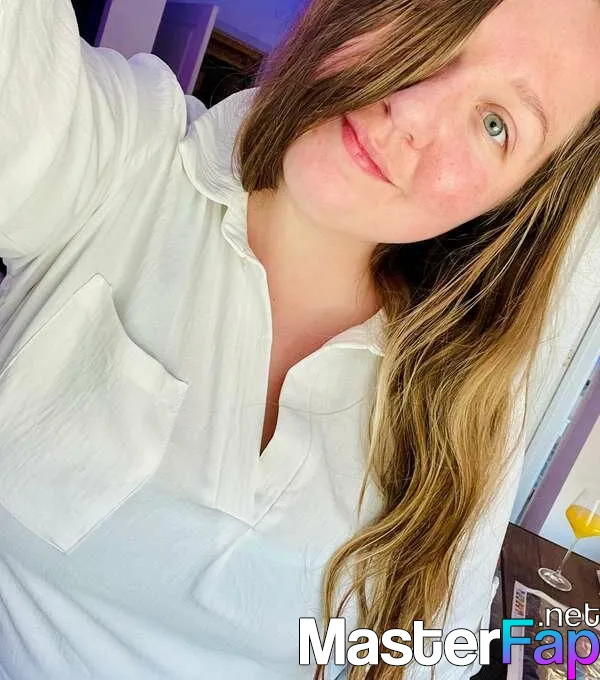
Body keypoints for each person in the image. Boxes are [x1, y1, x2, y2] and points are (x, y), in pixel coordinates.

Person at [0, 0, 599, 679]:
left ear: (512, 204)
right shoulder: (122, 161)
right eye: (430, 19)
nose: (412, 112)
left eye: (495, 125)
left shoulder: (466, 400)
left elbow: (434, 657)